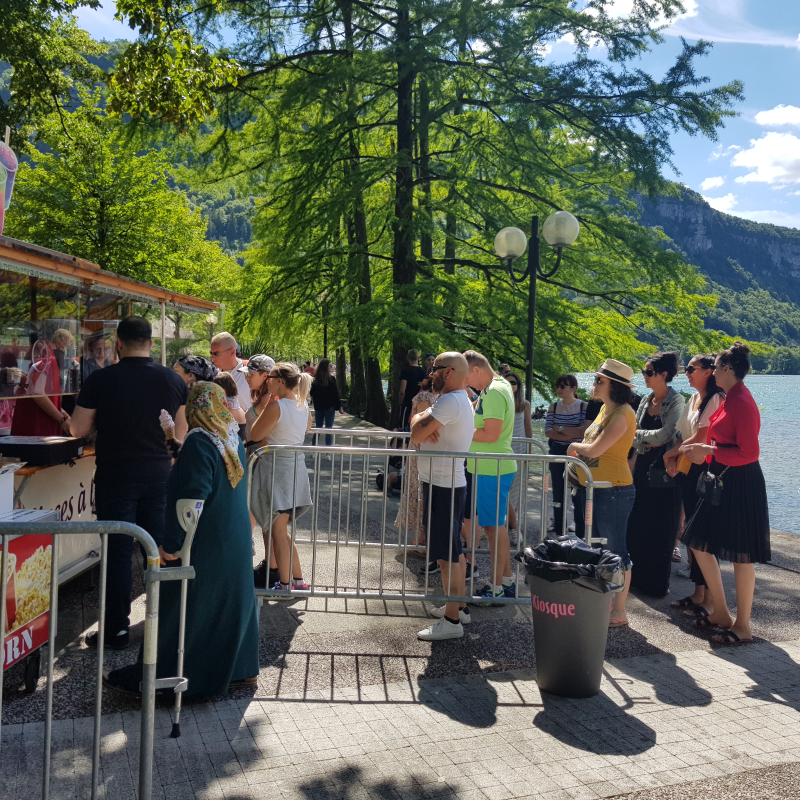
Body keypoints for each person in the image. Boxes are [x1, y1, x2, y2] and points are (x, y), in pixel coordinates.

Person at [104, 382, 259, 697]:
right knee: (228, 607)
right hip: (233, 539)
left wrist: (172, 545)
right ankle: (239, 671)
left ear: (194, 408)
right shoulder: (230, 435)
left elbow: (191, 499)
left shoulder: (200, 443)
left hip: (206, 544)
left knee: (184, 608)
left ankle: (165, 679)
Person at [70, 316, 188, 650]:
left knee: (118, 554)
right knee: (163, 551)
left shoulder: (101, 379)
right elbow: (179, 435)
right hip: (160, 477)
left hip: (115, 477)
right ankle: (167, 625)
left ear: (118, 344)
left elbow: (77, 430)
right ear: (151, 343)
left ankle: (116, 631)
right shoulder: (172, 380)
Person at [680, 343, 770, 645]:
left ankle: (742, 626)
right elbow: (721, 441)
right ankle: (720, 611)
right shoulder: (729, 398)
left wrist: (709, 451)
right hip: (722, 479)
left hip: (742, 483)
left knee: (742, 557)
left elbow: (749, 452)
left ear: (727, 370)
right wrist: (705, 453)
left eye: (716, 366)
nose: (713, 370)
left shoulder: (742, 401)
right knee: (698, 542)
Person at [568, 359, 638, 628]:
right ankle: (603, 603)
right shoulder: (605, 410)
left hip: (614, 490)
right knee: (595, 547)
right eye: (596, 379)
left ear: (615, 387)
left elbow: (595, 449)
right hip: (593, 489)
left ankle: (619, 610)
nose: (594, 383)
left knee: (616, 550)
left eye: (600, 380)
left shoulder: (623, 414)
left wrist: (573, 446)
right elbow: (592, 445)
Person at [411, 352, 475, 640]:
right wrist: (423, 419)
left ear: (448, 372)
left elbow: (415, 434)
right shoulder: (454, 399)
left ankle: (452, 621)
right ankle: (457, 607)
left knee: (447, 555)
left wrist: (422, 422)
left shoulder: (450, 401)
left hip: (443, 485)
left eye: (434, 369)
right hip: (446, 483)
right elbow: (418, 426)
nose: (430, 373)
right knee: (454, 551)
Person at [664, 354, 724, 609]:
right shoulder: (694, 399)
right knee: (692, 533)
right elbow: (683, 435)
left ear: (709, 371)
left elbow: (702, 435)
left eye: (691, 368)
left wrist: (671, 453)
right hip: (690, 470)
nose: (686, 372)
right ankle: (698, 593)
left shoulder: (715, 398)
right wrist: (673, 456)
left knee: (703, 535)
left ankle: (710, 600)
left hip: (705, 472)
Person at [249, 362, 313, 594]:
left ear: (280, 380)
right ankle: (297, 580)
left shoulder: (276, 406)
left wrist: (265, 409)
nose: (267, 380)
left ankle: (285, 585)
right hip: (295, 469)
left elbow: (255, 434)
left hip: (278, 470)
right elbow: (304, 430)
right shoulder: (302, 406)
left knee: (278, 530)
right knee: (283, 529)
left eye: (271, 377)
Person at [626, 351, 685, 598]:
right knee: (639, 524)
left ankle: (656, 584)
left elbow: (666, 434)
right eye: (644, 371)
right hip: (642, 468)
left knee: (661, 528)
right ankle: (637, 579)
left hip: (664, 473)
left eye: (649, 372)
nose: (645, 376)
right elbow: (642, 431)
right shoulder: (645, 400)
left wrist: (637, 436)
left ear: (663, 374)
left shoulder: (677, 401)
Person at [463, 350, 517, 603]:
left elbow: (491, 434)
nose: (467, 383)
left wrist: (463, 431)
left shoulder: (494, 391)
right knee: (495, 527)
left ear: (476, 369)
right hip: (490, 467)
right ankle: (505, 581)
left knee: (494, 529)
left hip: (491, 468)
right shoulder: (496, 387)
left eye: (467, 376)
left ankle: (495, 587)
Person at [394, 378, 437, 550]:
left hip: (425, 445)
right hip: (421, 446)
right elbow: (422, 423)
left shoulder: (436, 397)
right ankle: (418, 540)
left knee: (421, 489)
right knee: (419, 490)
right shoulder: (425, 397)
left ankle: (421, 539)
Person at [544, 375, 587, 536]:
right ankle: (560, 531)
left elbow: (583, 432)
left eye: (564, 386)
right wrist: (569, 434)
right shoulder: (553, 406)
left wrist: (560, 428)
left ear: (573, 388)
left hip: (576, 453)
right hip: (556, 451)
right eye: (558, 386)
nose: (560, 389)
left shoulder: (583, 406)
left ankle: (581, 532)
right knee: (558, 492)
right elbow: (548, 431)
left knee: (577, 493)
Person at [11, 332, 71, 437]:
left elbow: (43, 392)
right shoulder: (46, 360)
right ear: (61, 344)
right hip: (37, 423)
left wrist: (62, 412)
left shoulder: (47, 359)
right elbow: (37, 393)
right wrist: (61, 419)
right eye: (69, 344)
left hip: (39, 420)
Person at [506, 372, 533, 546]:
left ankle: (512, 529)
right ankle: (513, 527)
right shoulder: (500, 403)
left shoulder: (524, 404)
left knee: (515, 492)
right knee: (504, 492)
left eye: (514, 382)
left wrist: (530, 450)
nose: (511, 385)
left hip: (519, 450)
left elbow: (527, 427)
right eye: (507, 382)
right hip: (502, 451)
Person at [210, 332, 252, 413]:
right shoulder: (212, 375)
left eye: (216, 354)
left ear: (232, 352)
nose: (212, 358)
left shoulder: (250, 370)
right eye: (211, 353)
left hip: (247, 424)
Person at [309, 357, 343, 446]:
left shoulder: (315, 380)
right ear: (326, 367)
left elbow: (312, 392)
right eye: (330, 366)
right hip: (329, 407)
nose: (332, 367)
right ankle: (328, 451)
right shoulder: (331, 379)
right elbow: (335, 394)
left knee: (318, 429)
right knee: (329, 429)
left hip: (319, 407)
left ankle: (313, 449)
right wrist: (339, 406)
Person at [398, 349, 427, 429]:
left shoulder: (405, 371)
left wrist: (401, 402)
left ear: (408, 358)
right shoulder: (424, 372)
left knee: (403, 426)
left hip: (408, 403)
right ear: (418, 358)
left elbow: (402, 391)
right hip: (420, 404)